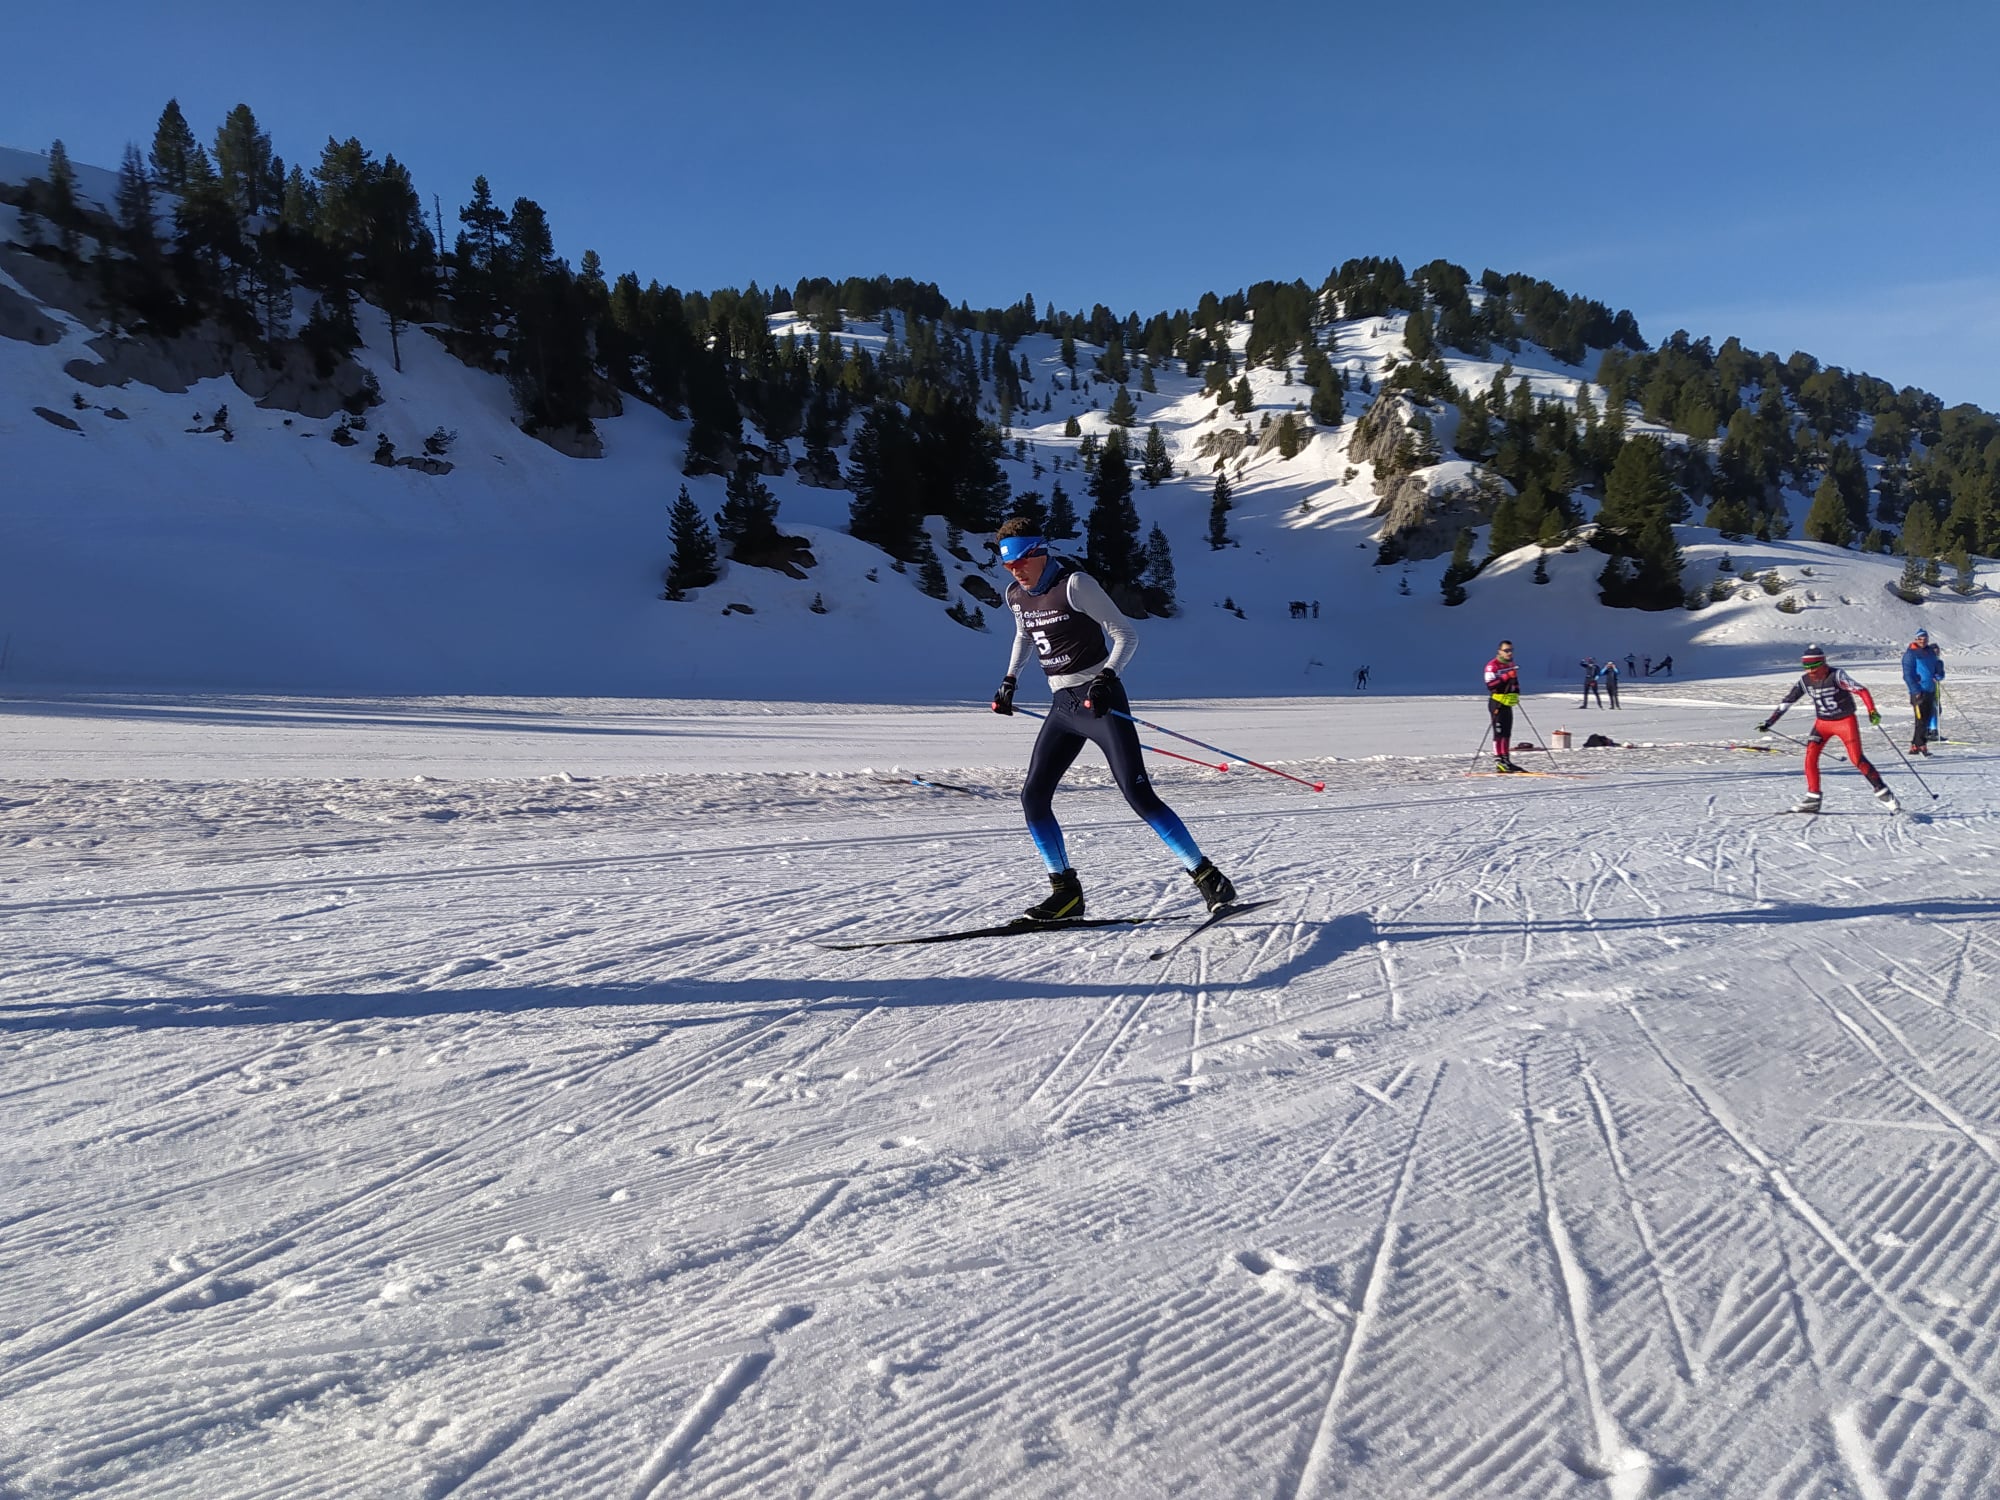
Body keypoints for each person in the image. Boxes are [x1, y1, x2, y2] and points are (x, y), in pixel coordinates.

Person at [989, 518, 1237, 918]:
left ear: (1040, 551)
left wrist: (1106, 678)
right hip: (1063, 706)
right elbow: (1023, 634)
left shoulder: (1074, 585)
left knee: (1138, 795)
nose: (1015, 570)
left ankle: (1210, 878)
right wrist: (1009, 680)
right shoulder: (1015, 595)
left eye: (1020, 561)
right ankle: (1066, 894)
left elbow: (1126, 634)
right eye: (1007, 566)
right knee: (1033, 796)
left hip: (1100, 701)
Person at [1757, 645, 1899, 813]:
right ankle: (1813, 798)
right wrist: (1770, 721)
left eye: (1814, 667)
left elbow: (1862, 690)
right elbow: (1788, 700)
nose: (1810, 672)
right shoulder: (1805, 681)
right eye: (1806, 668)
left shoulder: (1837, 676)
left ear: (1823, 664)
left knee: (1856, 759)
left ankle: (1883, 792)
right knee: (1810, 756)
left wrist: (1872, 711)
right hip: (1822, 724)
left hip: (1845, 722)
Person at [1901, 628, 1945, 753]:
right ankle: (1919, 744)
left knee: (1927, 718)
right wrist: (1915, 690)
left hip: (1930, 689)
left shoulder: (1930, 652)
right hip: (1918, 692)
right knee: (1920, 720)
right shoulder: (1910, 654)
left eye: (1925, 639)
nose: (1923, 641)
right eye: (1920, 639)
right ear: (1916, 639)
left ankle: (1917, 745)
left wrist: (1939, 674)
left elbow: (1938, 667)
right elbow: (1907, 675)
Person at [1485, 641, 1525, 772]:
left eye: (1511, 650)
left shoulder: (1511, 664)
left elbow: (1515, 681)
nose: (1509, 653)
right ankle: (1499, 761)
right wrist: (1506, 676)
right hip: (1497, 702)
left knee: (1507, 732)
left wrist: (1516, 692)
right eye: (1506, 650)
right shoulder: (1492, 666)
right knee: (1499, 733)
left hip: (1507, 702)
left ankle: (1506, 759)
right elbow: (1491, 685)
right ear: (1499, 651)